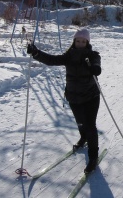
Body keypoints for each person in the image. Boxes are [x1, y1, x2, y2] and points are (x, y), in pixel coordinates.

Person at [27, 28, 102, 174]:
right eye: (78, 41)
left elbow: (97, 66)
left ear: (87, 42)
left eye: (83, 41)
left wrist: (94, 68)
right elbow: (52, 60)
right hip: (74, 96)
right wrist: (36, 53)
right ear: (74, 41)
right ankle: (83, 137)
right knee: (80, 122)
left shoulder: (92, 55)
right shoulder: (69, 55)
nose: (80, 43)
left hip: (91, 96)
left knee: (90, 125)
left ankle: (93, 156)